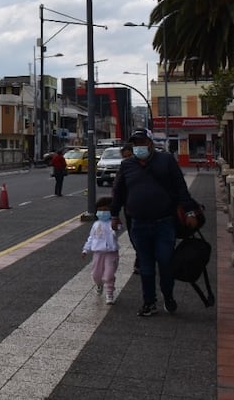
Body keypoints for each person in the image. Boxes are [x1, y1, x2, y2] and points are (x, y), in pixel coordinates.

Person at [110, 128, 199, 316]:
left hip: (164, 223)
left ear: (150, 143)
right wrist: (114, 215)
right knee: (146, 266)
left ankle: (168, 295)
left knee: (166, 263)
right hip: (139, 224)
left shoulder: (166, 160)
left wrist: (190, 211)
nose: (138, 147)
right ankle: (149, 302)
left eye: (141, 142)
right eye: (135, 143)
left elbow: (180, 188)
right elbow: (118, 192)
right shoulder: (127, 165)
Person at [82, 196, 119, 304]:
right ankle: (99, 284)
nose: (102, 212)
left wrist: (115, 224)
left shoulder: (113, 223)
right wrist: (85, 249)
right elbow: (91, 238)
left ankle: (109, 294)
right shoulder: (96, 224)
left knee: (109, 274)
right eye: (100, 210)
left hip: (111, 253)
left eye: (105, 210)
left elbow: (118, 228)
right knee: (96, 274)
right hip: (98, 253)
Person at [113, 142, 139, 274]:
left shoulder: (144, 167)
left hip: (148, 209)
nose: (127, 159)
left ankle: (141, 260)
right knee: (133, 236)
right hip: (130, 209)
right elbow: (117, 191)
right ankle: (140, 256)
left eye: (130, 156)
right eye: (125, 157)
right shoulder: (124, 169)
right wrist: (114, 214)